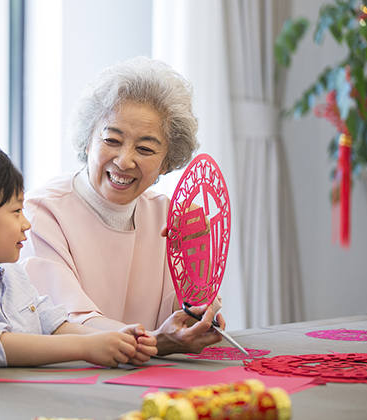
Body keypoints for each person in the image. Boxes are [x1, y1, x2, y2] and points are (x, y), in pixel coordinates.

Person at [19, 56, 226, 356]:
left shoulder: (172, 218)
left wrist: (198, 279)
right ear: (87, 141)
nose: (124, 161)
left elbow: (187, 318)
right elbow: (65, 324)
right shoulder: (42, 213)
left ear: (167, 163)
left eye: (144, 149)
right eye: (112, 140)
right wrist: (157, 341)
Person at [0, 138, 157, 367]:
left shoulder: (10, 272)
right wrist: (85, 346)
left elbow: (52, 324)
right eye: (16, 211)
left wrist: (113, 337)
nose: (26, 223)